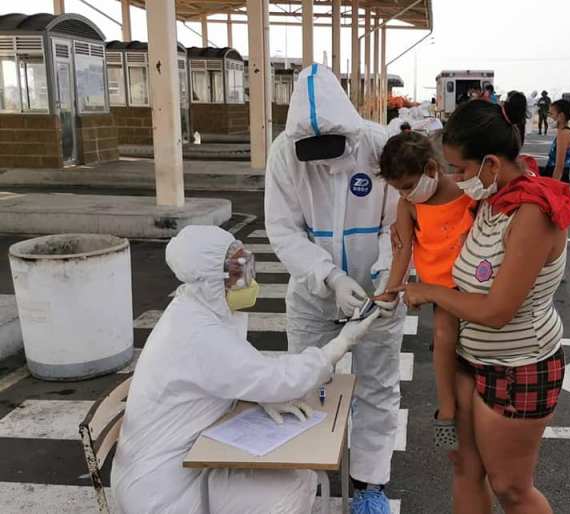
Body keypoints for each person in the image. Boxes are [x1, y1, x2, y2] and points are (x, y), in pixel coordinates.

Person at [111, 225, 380, 514]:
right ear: (210, 279)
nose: (247, 280)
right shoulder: (196, 331)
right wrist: (342, 343)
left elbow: (242, 370)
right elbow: (273, 378)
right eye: (236, 271)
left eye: (246, 265)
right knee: (288, 490)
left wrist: (261, 396)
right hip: (163, 490)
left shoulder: (199, 308)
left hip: (188, 460)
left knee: (300, 477)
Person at [396, 99, 570, 514]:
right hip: (465, 366)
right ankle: (447, 421)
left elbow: (498, 311)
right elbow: (421, 195)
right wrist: (405, 214)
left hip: (517, 371)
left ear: (492, 165)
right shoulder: (490, 198)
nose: (454, 179)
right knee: (462, 464)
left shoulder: (532, 211)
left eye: (460, 169)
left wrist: (427, 291)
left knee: (510, 486)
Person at [265, 64, 406, 514]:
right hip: (314, 291)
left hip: (378, 295)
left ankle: (370, 484)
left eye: (332, 149)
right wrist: (330, 277)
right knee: (305, 382)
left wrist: (387, 274)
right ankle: (304, 476)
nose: (325, 161)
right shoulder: (284, 154)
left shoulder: (380, 144)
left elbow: (399, 223)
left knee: (377, 387)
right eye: (315, 152)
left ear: (349, 126)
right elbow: (284, 231)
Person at [374, 130, 475, 451]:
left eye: (406, 186)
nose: (403, 195)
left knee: (475, 347)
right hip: (440, 288)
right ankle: (447, 411)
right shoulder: (409, 206)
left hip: (474, 283)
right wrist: (391, 290)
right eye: (396, 190)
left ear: (431, 168)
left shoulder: (467, 190)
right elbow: (402, 250)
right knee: (444, 337)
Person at [541, 99, 570, 185]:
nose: (548, 117)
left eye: (551, 114)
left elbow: (559, 167)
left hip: (559, 179)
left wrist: (553, 188)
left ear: (560, 116)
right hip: (553, 174)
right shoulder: (562, 132)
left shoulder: (564, 134)